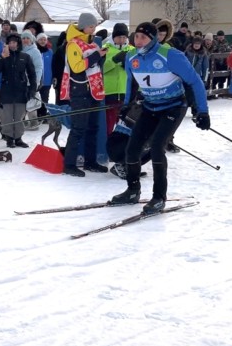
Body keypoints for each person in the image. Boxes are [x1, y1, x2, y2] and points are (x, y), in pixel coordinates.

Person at [110, 22, 210, 214]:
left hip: (173, 106)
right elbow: (131, 83)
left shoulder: (170, 55)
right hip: (149, 106)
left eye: (143, 37)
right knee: (132, 148)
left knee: (157, 148)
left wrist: (202, 111)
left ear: (153, 38)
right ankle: (132, 190)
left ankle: (158, 197)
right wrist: (126, 106)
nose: (138, 41)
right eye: (136, 37)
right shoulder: (132, 57)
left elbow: (195, 81)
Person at [60, 12, 107, 176]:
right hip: (80, 91)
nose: (94, 29)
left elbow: (96, 65)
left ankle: (90, 161)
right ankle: (69, 164)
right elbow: (77, 67)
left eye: (95, 26)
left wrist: (101, 57)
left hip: (94, 91)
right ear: (83, 26)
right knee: (78, 128)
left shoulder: (93, 44)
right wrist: (96, 56)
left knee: (93, 127)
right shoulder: (73, 44)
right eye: (91, 26)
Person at [0, 32, 36, 148]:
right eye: (10, 42)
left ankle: (18, 138)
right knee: (6, 117)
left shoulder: (25, 57)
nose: (12, 45)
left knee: (19, 116)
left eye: (14, 42)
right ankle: (9, 138)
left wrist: (32, 89)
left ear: (18, 44)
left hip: (21, 91)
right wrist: (2, 58)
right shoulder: (4, 56)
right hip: (7, 91)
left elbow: (32, 74)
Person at [103, 23, 133, 136]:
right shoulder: (105, 49)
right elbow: (101, 69)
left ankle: (120, 150)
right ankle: (105, 150)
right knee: (108, 126)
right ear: (113, 37)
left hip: (126, 93)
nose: (121, 39)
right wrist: (114, 61)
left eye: (124, 37)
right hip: (109, 93)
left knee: (124, 128)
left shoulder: (132, 50)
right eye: (119, 37)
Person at [20, 30, 43, 131]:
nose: (25, 40)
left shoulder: (35, 51)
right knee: (22, 103)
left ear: (31, 40)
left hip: (31, 81)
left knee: (31, 103)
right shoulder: (20, 50)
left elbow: (38, 67)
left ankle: (34, 123)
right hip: (21, 82)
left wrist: (36, 81)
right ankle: (22, 123)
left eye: (27, 38)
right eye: (23, 38)